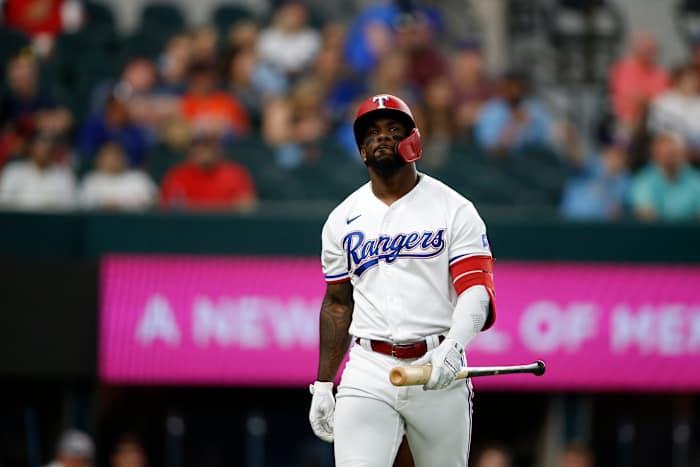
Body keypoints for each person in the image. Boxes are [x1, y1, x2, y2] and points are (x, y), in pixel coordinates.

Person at [308, 94, 496, 466]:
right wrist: (324, 384)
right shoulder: (341, 219)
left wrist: (455, 346)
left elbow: (476, 290)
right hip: (369, 368)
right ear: (362, 151)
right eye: (372, 133)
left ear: (414, 141)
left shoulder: (454, 208)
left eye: (394, 129)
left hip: (438, 364)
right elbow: (337, 303)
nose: (382, 137)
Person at [160, 133, 257, 211]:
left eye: (208, 146)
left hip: (226, 229)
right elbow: (169, 208)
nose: (204, 152)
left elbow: (246, 206)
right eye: (198, 146)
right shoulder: (178, 175)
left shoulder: (235, 174)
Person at [630, 131, 700, 221]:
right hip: (656, 233)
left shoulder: (695, 178)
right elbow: (645, 210)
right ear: (655, 155)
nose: (669, 157)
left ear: (682, 154)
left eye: (673, 153)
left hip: (692, 232)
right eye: (665, 153)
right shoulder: (643, 180)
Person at [0, 131, 76, 210]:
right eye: (41, 145)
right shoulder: (14, 171)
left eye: (49, 146)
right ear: (31, 147)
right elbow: (4, 202)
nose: (45, 149)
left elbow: (70, 206)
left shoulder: (64, 175)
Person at [78, 141, 157, 211]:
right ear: (98, 159)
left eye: (116, 155)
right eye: (107, 156)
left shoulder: (139, 178)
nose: (112, 160)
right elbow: (81, 206)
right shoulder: (90, 180)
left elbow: (153, 202)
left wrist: (121, 205)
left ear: (125, 158)